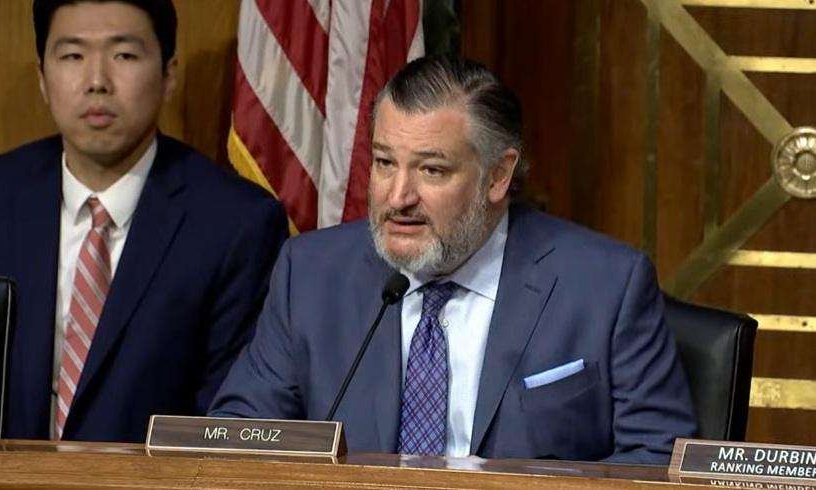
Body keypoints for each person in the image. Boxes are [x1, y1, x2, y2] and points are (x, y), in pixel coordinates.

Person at [209, 55, 696, 463]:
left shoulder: (605, 287)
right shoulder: (311, 275)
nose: (398, 197)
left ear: (497, 176)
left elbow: (659, 457)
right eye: (384, 163)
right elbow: (238, 438)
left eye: (432, 170)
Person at [0, 0, 288, 442]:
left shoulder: (237, 225)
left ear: (168, 75)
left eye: (124, 55)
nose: (97, 81)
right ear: (42, 77)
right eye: (72, 55)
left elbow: (224, 422)